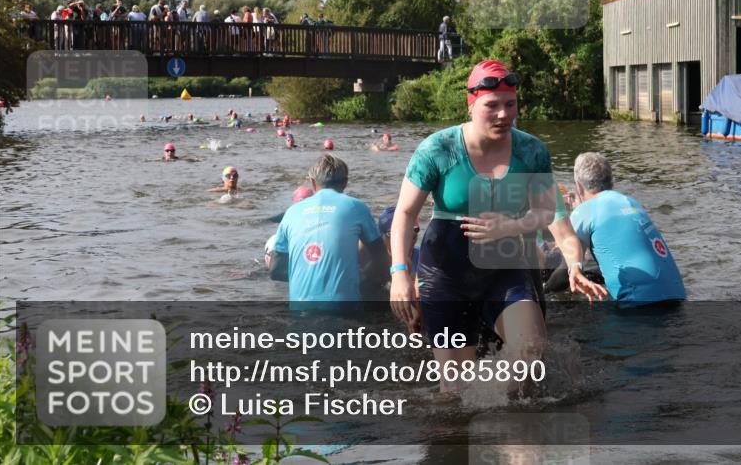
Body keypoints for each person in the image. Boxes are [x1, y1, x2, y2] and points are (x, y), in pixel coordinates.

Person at [389, 60, 606, 392]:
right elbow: (405, 214)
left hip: (506, 268)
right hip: (447, 273)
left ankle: (499, 409)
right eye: (492, 105)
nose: (504, 115)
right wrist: (400, 274)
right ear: (471, 104)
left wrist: (571, 262)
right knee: (455, 389)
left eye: (510, 104)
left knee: (529, 350)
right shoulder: (438, 149)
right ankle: (478, 407)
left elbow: (552, 217)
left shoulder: (531, 151)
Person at [565, 152, 686, 306]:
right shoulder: (631, 202)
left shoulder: (583, 211)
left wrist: (545, 288)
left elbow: (566, 270)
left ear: (579, 186)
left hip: (638, 304)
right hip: (677, 296)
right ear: (611, 180)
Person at [267, 154, 388, 306]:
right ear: (345, 182)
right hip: (344, 308)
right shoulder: (356, 207)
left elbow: (275, 270)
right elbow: (381, 256)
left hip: (300, 309)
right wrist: (366, 281)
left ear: (312, 182)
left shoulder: (291, 212)